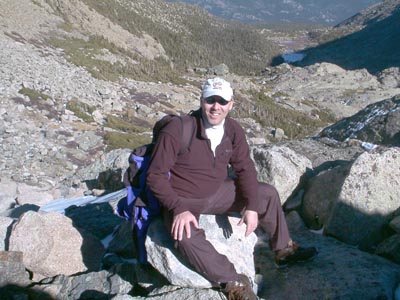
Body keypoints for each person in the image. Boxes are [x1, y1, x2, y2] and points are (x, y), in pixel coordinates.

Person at [146, 77, 317, 300]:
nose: (216, 107)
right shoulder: (178, 129)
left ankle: (283, 249)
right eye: (210, 100)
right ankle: (233, 282)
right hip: (182, 198)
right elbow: (155, 175)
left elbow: (245, 168)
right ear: (201, 100)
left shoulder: (233, 130)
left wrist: (252, 206)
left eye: (222, 101)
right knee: (185, 237)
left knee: (266, 194)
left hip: (216, 193)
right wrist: (177, 208)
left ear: (231, 104)